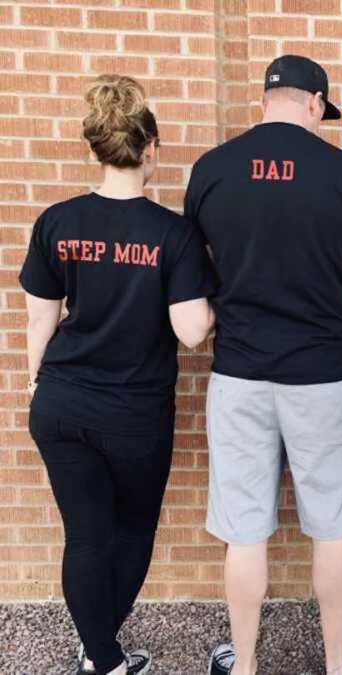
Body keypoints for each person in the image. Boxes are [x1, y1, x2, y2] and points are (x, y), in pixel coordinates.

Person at [183, 55, 342, 675]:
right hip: (322, 375)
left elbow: (196, 286)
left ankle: (242, 666)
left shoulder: (212, 170)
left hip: (239, 374)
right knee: (330, 530)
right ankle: (333, 664)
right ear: (316, 103)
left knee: (244, 532)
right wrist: (320, 337)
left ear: (266, 99)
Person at [20, 75, 217, 675]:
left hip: (60, 403)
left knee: (84, 536)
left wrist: (36, 382)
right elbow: (190, 331)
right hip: (134, 413)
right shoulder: (173, 234)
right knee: (131, 533)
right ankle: (103, 655)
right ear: (151, 148)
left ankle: (101, 656)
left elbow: (40, 322)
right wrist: (221, 295)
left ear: (94, 150)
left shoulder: (56, 221)